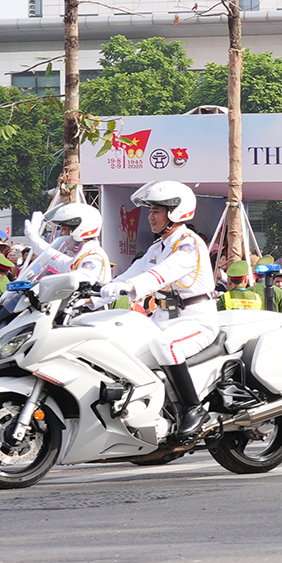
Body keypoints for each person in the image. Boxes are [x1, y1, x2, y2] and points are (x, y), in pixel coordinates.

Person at [100, 181, 217, 438]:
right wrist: (92, 295)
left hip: (196, 318)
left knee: (167, 345)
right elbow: (132, 273)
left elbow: (160, 275)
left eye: (156, 211)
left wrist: (129, 288)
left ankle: (194, 409)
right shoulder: (157, 247)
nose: (150, 216)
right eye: (150, 211)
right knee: (124, 352)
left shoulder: (189, 245)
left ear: (175, 212)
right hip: (163, 316)